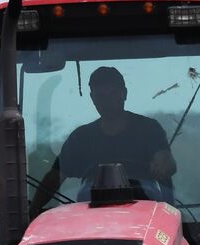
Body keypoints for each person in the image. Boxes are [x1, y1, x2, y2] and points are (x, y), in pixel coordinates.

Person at [31, 66, 175, 214]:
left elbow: (165, 162)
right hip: (92, 218)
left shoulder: (148, 129)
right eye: (101, 96)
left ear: (124, 94)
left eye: (112, 94)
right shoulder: (81, 138)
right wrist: (33, 210)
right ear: (93, 98)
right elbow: (55, 178)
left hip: (147, 215)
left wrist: (163, 164)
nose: (107, 101)